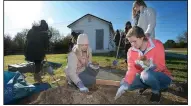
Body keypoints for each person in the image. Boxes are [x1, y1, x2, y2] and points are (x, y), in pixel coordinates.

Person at [115, 26, 172, 103]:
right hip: (144, 76)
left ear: (142, 37)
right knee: (126, 83)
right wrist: (125, 84)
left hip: (161, 76)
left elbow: (161, 66)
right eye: (130, 42)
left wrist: (148, 64)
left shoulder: (157, 44)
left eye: (134, 41)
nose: (132, 45)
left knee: (145, 75)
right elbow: (131, 69)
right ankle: (147, 85)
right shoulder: (131, 51)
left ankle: (156, 91)